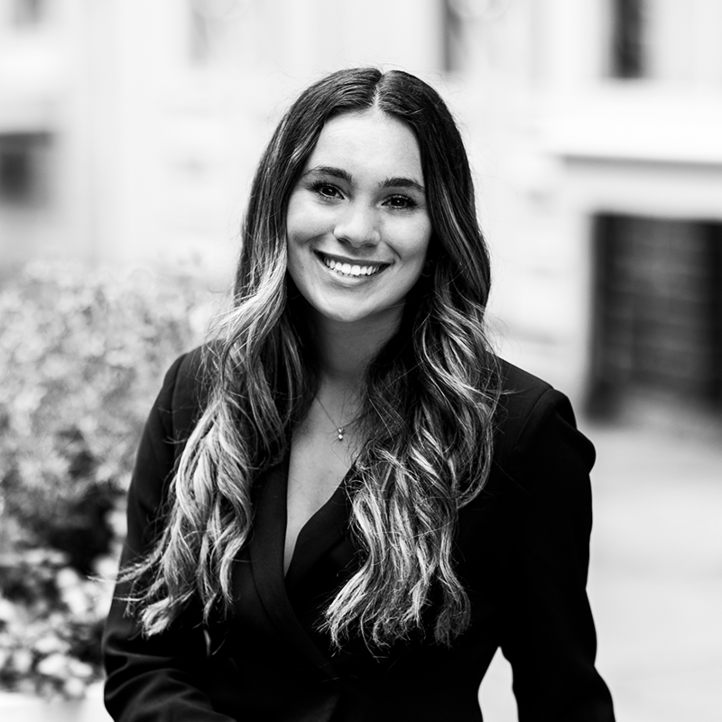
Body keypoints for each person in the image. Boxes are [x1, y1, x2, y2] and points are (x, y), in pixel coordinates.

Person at [103, 67, 616, 722]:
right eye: (328, 189)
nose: (357, 229)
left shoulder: (518, 430)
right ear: (280, 202)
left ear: (439, 228)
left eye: (398, 201)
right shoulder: (201, 390)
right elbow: (142, 657)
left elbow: (563, 699)